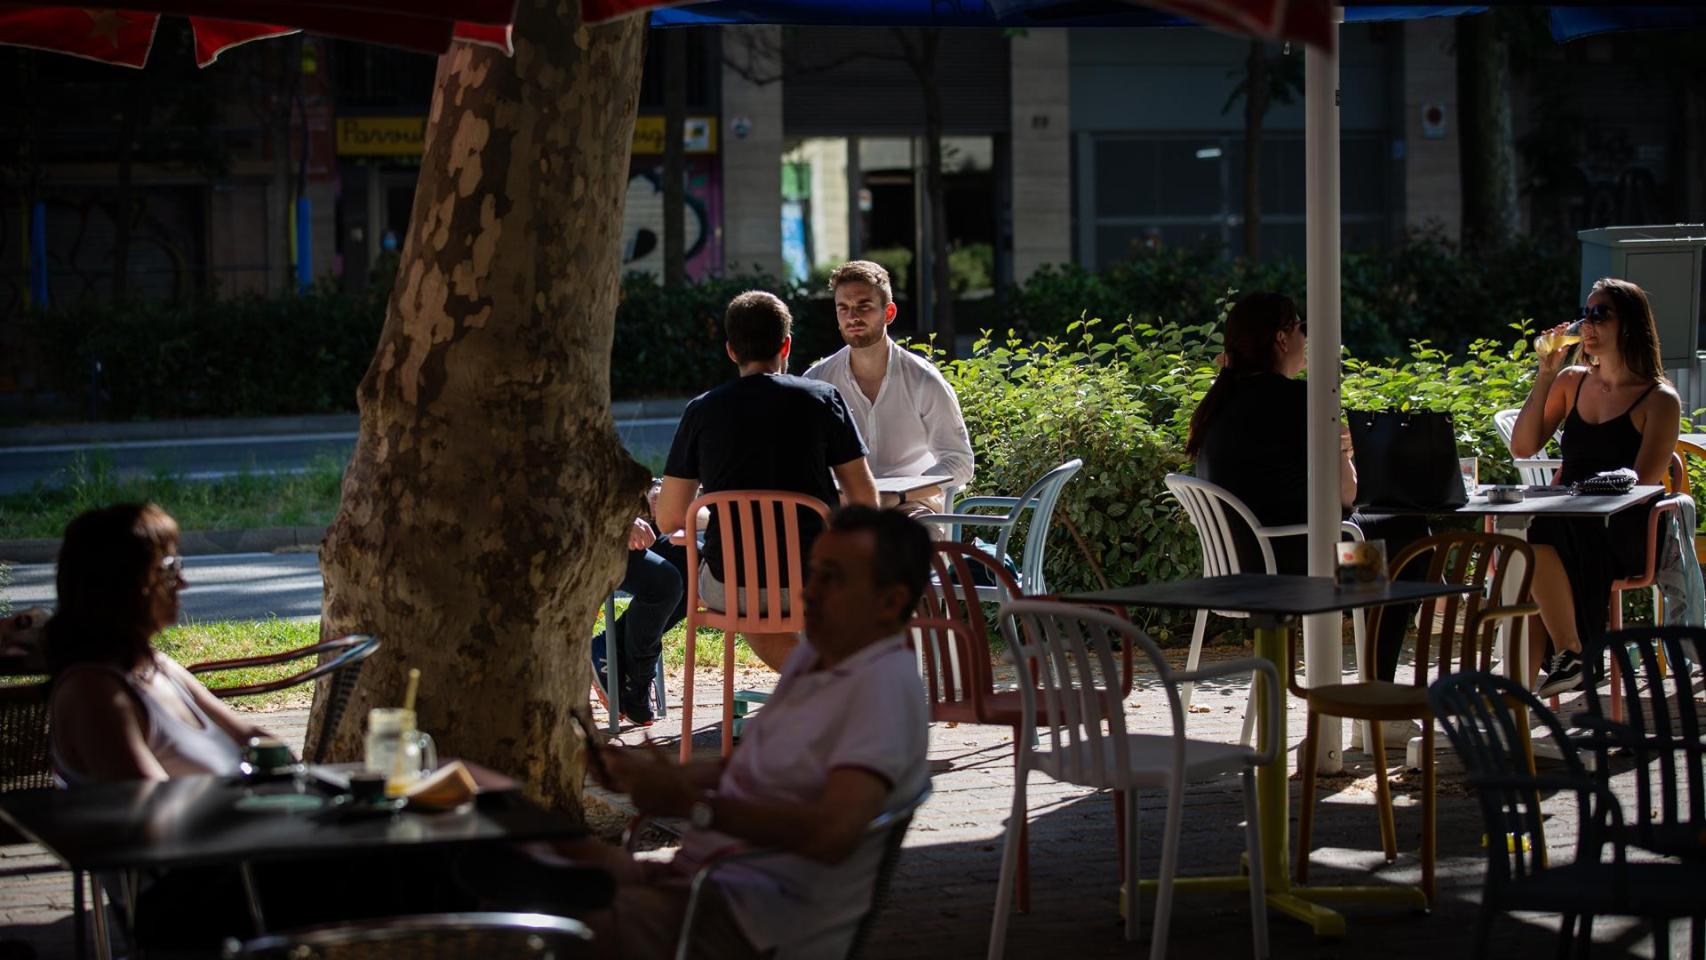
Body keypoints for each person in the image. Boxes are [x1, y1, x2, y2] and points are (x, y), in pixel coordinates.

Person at [557, 505, 933, 960]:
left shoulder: (882, 689)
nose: (808, 591)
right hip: (701, 884)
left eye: (831, 578)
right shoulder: (815, 658)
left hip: (744, 923)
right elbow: (745, 769)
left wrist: (692, 806)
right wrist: (640, 775)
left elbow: (832, 834)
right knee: (535, 861)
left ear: (890, 601)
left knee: (548, 923)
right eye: (811, 572)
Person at [1186, 292, 1430, 687]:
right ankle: (1379, 694)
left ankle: (1396, 641)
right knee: (1407, 540)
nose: (1306, 338)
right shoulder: (1299, 400)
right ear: (1282, 338)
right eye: (1302, 327)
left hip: (1242, 568)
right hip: (1304, 569)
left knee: (1389, 545)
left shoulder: (1219, 404)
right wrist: (1343, 448)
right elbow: (1347, 496)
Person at [655, 290, 881, 669]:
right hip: (815, 580)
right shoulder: (823, 398)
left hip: (732, 584)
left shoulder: (702, 410)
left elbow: (669, 518)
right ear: (786, 344)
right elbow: (864, 499)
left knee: (753, 606)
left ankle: (822, 686)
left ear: (731, 350)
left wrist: (719, 517)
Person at [1510, 277, 1680, 696]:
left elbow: (1643, 483)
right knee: (1535, 553)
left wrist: (1583, 503)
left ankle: (1559, 666)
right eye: (1586, 313)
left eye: (1600, 314)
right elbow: (1523, 445)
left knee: (1538, 545)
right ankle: (1569, 658)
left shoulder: (1659, 399)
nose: (1588, 324)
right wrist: (1545, 375)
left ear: (1630, 325)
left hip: (1626, 527)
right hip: (1567, 519)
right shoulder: (1572, 381)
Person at [47, 503, 268, 783]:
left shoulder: (157, 666)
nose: (181, 583)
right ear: (122, 583)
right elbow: (154, 806)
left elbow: (251, 737)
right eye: (168, 569)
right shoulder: (92, 692)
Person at [804, 260, 975, 515]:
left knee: (901, 545)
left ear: (889, 313)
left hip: (913, 507)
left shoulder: (923, 379)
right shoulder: (818, 381)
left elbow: (960, 462)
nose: (853, 317)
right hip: (843, 509)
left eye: (864, 306)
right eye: (843, 308)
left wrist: (900, 495)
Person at [592, 481, 690, 726]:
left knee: (692, 563)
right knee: (665, 582)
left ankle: (611, 648)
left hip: (617, 517)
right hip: (590, 531)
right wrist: (619, 516)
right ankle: (635, 680)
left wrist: (648, 493)